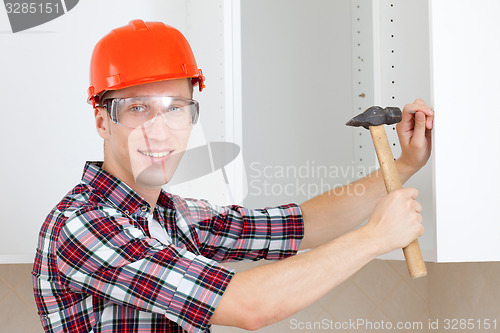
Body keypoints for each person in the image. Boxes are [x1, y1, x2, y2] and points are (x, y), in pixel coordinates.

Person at [32, 19, 434, 333]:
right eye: (137, 108)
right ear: (102, 121)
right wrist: (374, 238)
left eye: (175, 108)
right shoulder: (82, 225)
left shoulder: (177, 217)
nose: (159, 131)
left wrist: (401, 167)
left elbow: (304, 224)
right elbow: (248, 305)